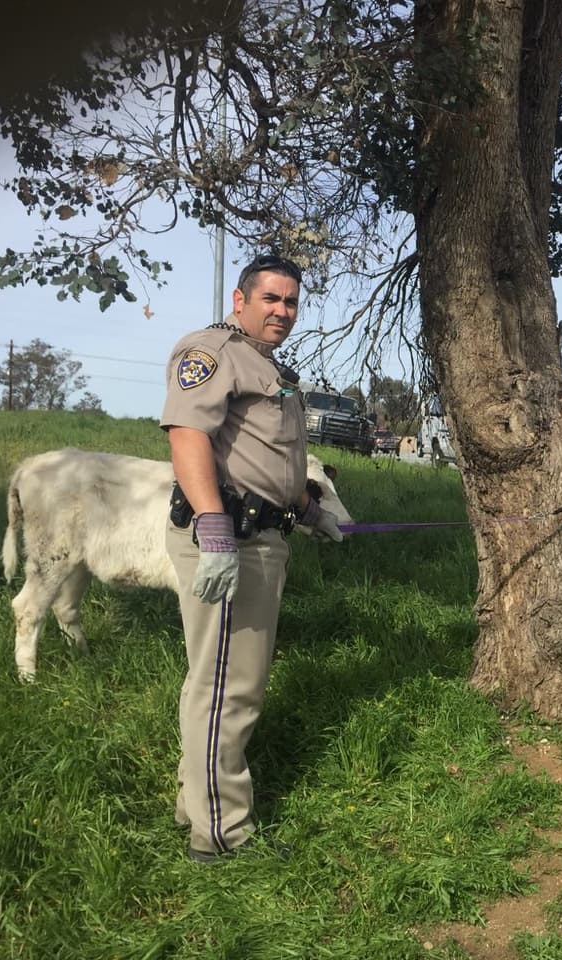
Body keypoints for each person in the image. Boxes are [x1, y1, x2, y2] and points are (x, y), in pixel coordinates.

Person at [161, 254, 343, 862]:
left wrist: (312, 513)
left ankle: (198, 806)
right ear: (241, 300)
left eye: (291, 302)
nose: (282, 311)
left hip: (263, 536)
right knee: (226, 690)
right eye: (270, 299)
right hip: (228, 539)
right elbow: (187, 434)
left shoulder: (271, 368)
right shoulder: (211, 351)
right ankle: (221, 836)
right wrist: (213, 529)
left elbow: (271, 457)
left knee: (227, 682)